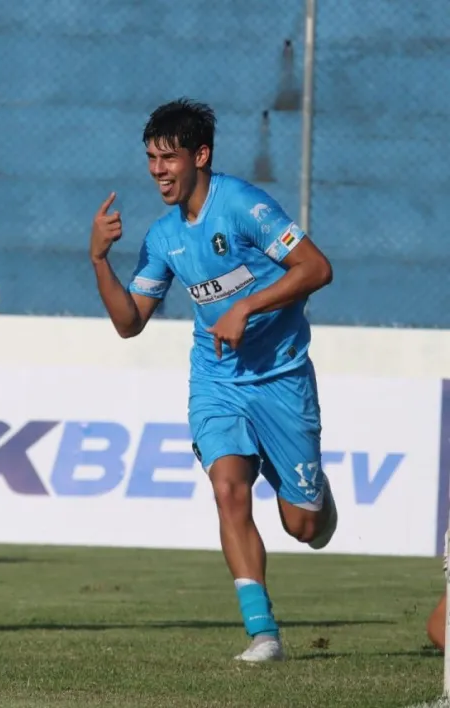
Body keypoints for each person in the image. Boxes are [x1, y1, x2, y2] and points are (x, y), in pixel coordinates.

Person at [89, 98, 337, 662]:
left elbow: (316, 269)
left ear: (200, 155)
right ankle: (263, 633)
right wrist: (100, 260)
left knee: (303, 526)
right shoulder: (163, 236)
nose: (158, 171)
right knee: (229, 490)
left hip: (281, 376)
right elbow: (130, 323)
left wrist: (245, 308)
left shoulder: (245, 205)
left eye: (168, 158)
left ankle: (317, 498)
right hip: (217, 378)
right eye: (151, 158)